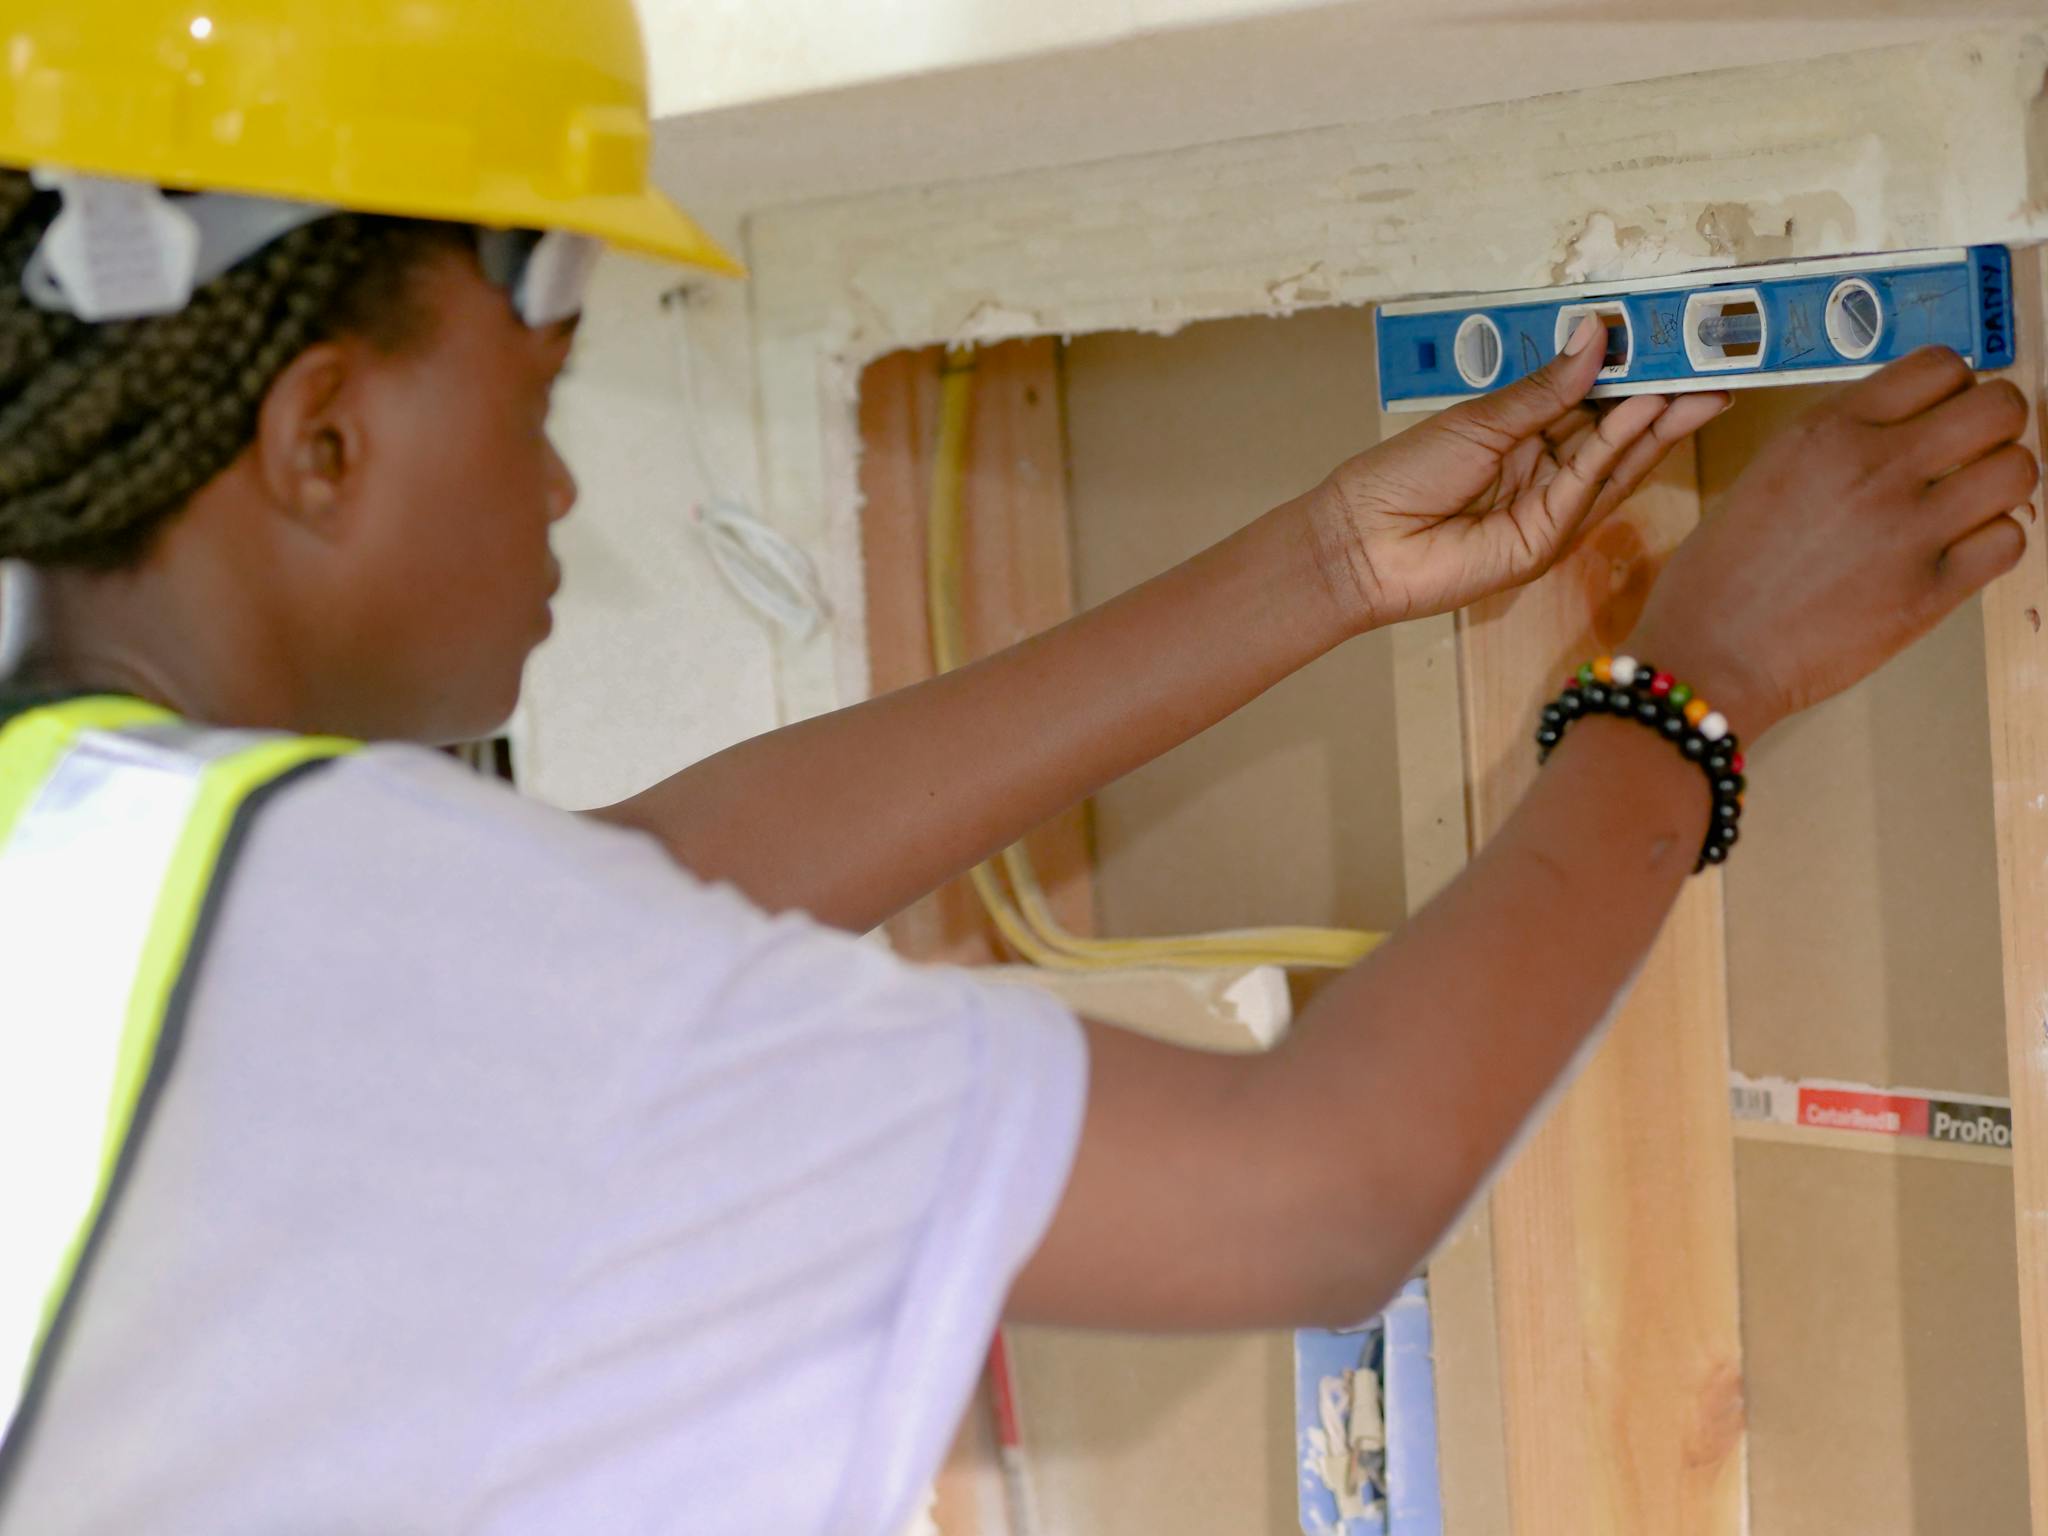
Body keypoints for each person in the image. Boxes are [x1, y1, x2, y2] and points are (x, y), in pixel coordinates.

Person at [0, 3, 2036, 1532]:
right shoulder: (317, 924)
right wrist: (1695, 686)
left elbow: (661, 876)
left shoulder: (94, 856)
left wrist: (1318, 567)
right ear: (320, 437)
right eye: (538, 398)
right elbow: (1312, 1195)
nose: (554, 488)